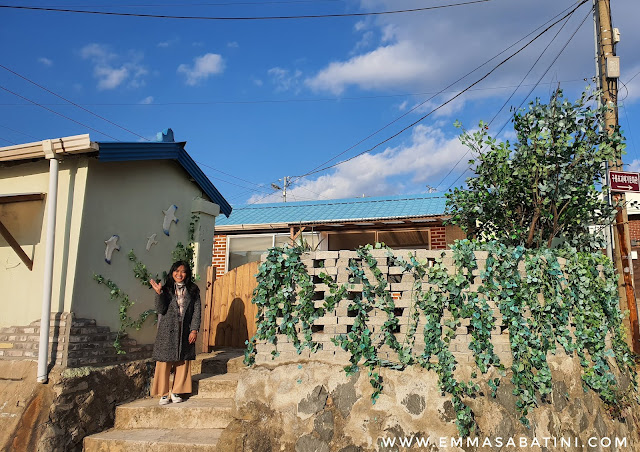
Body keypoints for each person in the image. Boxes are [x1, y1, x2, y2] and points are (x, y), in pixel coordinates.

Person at [149, 260, 201, 405]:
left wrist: (194, 329)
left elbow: (197, 311)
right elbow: (160, 309)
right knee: (164, 361)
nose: (179, 274)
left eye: (183, 271)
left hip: (185, 328)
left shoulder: (193, 290)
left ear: (187, 274)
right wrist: (159, 294)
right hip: (167, 329)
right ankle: (164, 393)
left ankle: (177, 391)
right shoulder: (166, 289)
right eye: (176, 271)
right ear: (172, 272)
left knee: (182, 360)